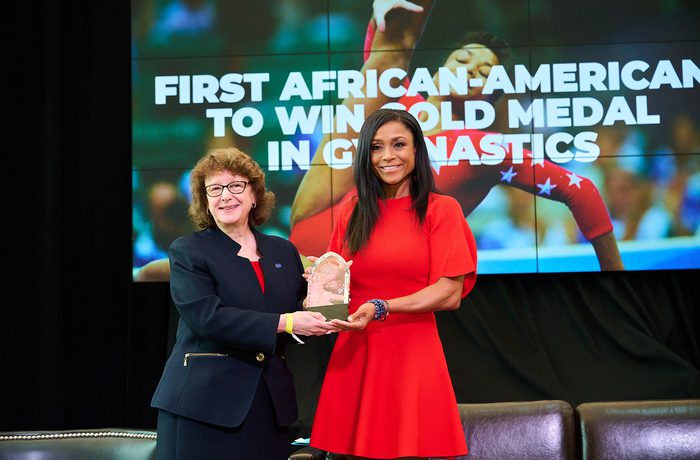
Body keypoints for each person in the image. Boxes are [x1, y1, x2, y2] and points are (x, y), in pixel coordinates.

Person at [289, 0, 625, 271]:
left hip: (363, 282)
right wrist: (377, 21)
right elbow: (384, 50)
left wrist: (617, 279)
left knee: (335, 347)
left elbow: (582, 192)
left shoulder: (485, 148)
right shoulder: (395, 98)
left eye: (483, 73)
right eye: (463, 59)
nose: (469, 69)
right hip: (302, 253)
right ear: (439, 69)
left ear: (490, 96)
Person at [150, 147, 337, 459]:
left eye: (236, 186)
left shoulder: (283, 251)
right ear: (205, 202)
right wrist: (287, 322)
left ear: (254, 195)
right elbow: (208, 318)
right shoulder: (188, 251)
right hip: (203, 406)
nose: (226, 196)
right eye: (215, 189)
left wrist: (326, 283)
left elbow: (303, 310)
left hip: (268, 405)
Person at [309, 108, 476, 459]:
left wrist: (383, 306)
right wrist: (318, 286)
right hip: (355, 352)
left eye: (398, 144)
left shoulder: (442, 210)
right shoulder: (351, 211)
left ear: (416, 150)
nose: (387, 156)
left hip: (413, 354)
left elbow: (449, 292)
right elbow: (336, 284)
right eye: (376, 147)